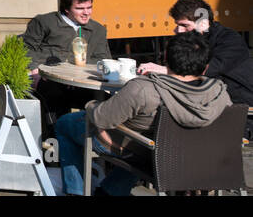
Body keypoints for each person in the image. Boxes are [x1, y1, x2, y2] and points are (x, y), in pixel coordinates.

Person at [54, 32, 231, 195]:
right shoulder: (219, 93)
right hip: (192, 160)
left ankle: (75, 191)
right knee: (140, 136)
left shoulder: (144, 89)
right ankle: (109, 191)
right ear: (205, 67)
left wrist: (92, 104)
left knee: (65, 123)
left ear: (166, 59)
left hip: (144, 151)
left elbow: (102, 118)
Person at [138, 0, 253, 104]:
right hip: (209, 102)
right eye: (177, 25)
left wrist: (166, 71)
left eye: (185, 25)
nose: (178, 30)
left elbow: (209, 70)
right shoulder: (193, 41)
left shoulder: (229, 40)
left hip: (241, 107)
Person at [23, 0, 111, 126]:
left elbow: (102, 59)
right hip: (47, 78)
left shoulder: (97, 29)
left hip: (79, 82)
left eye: (89, 8)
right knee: (53, 95)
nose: (86, 13)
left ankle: (95, 141)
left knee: (106, 100)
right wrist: (34, 69)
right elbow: (26, 47)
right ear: (67, 9)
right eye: (80, 9)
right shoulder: (45, 22)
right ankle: (54, 139)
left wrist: (79, 74)